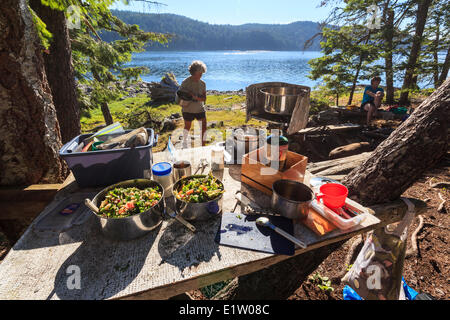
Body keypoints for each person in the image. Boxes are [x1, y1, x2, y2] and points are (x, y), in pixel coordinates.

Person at [176, 60, 208, 147]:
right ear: (193, 72)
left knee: (204, 128)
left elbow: (204, 98)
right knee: (187, 127)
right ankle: (184, 143)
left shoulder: (203, 84)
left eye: (202, 73)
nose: (201, 75)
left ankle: (203, 146)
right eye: (199, 73)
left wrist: (195, 97)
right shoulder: (185, 83)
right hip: (187, 109)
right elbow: (180, 97)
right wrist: (188, 95)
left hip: (199, 109)